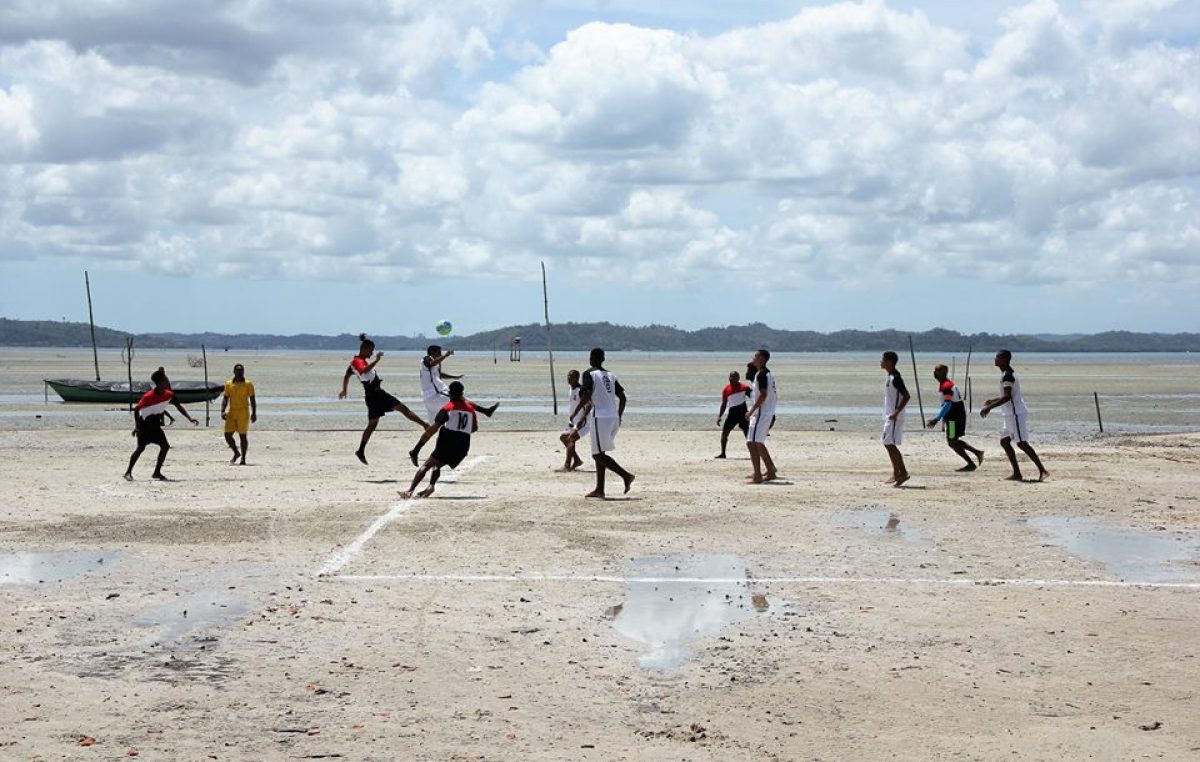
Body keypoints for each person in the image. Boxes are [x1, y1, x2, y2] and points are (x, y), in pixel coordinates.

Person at [338, 333, 429, 465]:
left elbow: (347, 376)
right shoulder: (357, 362)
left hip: (372, 396)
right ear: (364, 349)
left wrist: (344, 390)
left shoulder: (355, 362)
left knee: (373, 424)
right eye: (371, 350)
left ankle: (361, 450)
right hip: (377, 395)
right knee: (402, 408)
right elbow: (363, 371)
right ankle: (425, 425)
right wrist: (377, 360)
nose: (372, 353)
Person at [412, 345, 497, 464]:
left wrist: (454, 376)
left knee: (433, 428)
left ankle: (415, 450)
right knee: (460, 400)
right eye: (439, 352)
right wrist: (446, 355)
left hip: (430, 398)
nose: (440, 354)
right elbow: (431, 364)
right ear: (432, 352)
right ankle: (485, 411)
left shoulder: (436, 363)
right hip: (436, 394)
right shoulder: (426, 359)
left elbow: (439, 375)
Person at [567, 347, 634, 498]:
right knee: (600, 452)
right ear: (603, 359)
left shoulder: (589, 373)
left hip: (600, 417)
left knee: (597, 455)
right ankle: (599, 489)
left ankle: (626, 476)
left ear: (591, 358)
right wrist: (619, 416)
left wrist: (577, 412)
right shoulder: (611, 375)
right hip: (613, 418)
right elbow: (623, 398)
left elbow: (587, 394)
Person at [980, 350, 1049, 481]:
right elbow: (1007, 395)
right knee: (1005, 442)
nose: (995, 359)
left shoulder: (1008, 375)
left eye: (997, 357)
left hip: (1016, 413)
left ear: (1005, 359)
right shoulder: (1005, 374)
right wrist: (993, 401)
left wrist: (990, 407)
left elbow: (1007, 397)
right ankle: (1017, 473)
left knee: (1022, 443)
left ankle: (1042, 470)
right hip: (1009, 414)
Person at [401, 381, 478, 499]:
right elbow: (474, 429)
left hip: (448, 442)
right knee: (437, 464)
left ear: (450, 394)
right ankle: (431, 486)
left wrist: (417, 448)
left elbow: (432, 430)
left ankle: (410, 491)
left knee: (427, 465)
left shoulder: (448, 408)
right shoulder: (471, 409)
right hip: (463, 446)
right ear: (462, 393)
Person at [124, 367, 197, 481]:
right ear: (159, 383)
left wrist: (190, 418)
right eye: (165, 379)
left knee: (165, 447)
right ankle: (128, 472)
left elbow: (179, 406)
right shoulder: (148, 396)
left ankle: (157, 472)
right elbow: (137, 409)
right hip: (145, 426)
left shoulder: (169, 394)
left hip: (156, 426)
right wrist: (137, 427)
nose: (168, 381)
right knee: (140, 448)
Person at [926, 364, 984, 472]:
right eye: (934, 370)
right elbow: (946, 404)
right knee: (953, 440)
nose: (934, 373)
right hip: (953, 416)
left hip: (954, 418)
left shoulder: (947, 386)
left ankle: (973, 461)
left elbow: (948, 404)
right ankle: (977, 454)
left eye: (937, 371)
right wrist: (943, 417)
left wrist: (936, 419)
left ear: (943, 372)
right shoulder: (945, 384)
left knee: (952, 441)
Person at [744, 349, 778, 483]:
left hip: (761, 413)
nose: (753, 358)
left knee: (752, 442)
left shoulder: (762, 375)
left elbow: (763, 395)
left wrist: (751, 411)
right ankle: (770, 471)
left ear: (762, 359)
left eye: (756, 356)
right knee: (757, 442)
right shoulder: (767, 374)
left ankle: (758, 475)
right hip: (766, 412)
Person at [880, 351, 911, 486]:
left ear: (889, 362)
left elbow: (907, 395)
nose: (880, 362)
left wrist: (896, 412)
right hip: (889, 416)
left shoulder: (896, 378)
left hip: (894, 417)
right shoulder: (889, 376)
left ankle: (900, 472)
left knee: (889, 444)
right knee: (888, 443)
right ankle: (899, 472)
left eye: (883, 359)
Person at [220, 363, 257, 465]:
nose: (240, 373)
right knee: (227, 434)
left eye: (241, 371)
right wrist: (222, 410)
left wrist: (254, 413)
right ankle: (236, 452)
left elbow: (252, 399)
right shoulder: (228, 384)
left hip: (243, 412)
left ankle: (243, 459)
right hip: (232, 411)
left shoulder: (248, 384)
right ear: (234, 372)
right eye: (238, 371)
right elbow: (225, 398)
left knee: (243, 436)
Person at [557, 369, 589, 472]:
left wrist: (582, 419)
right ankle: (577, 460)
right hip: (573, 421)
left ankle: (567, 465)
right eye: (568, 376)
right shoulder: (571, 389)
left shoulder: (581, 390)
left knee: (571, 439)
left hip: (582, 422)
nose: (569, 378)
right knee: (563, 437)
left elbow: (589, 406)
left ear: (577, 378)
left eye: (572, 376)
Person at [716, 370, 752, 458]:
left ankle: (753, 453)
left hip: (743, 414)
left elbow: (755, 399)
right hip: (732, 414)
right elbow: (724, 404)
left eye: (734, 377)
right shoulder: (726, 389)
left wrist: (753, 412)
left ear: (738, 378)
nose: (731, 379)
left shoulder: (745, 387)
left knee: (748, 435)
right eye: (730, 377)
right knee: (724, 434)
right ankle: (723, 453)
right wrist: (719, 416)